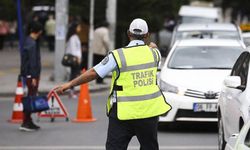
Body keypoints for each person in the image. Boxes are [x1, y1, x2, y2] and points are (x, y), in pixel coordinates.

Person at [56, 18, 172, 150]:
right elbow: (154, 47)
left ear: (128, 33)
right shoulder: (154, 54)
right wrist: (151, 45)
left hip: (122, 113)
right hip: (149, 112)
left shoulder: (117, 56)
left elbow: (94, 73)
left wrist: (70, 84)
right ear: (147, 35)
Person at [20, 21, 43, 131]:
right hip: (31, 75)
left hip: (28, 74)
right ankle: (26, 122)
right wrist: (33, 77)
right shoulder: (32, 44)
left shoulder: (28, 41)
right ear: (39, 31)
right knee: (30, 98)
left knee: (30, 97)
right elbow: (32, 62)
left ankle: (28, 121)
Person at [65, 22, 82, 99]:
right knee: (73, 75)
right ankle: (71, 91)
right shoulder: (73, 37)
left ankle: (72, 91)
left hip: (75, 58)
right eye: (79, 27)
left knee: (74, 74)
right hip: (74, 59)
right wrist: (77, 58)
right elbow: (73, 49)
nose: (80, 29)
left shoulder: (74, 36)